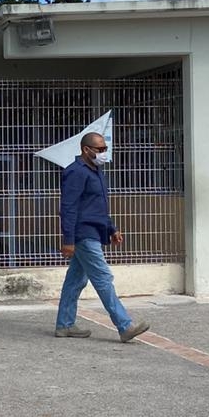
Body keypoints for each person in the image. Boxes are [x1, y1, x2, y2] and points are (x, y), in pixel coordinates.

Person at [55, 132, 149, 342]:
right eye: (99, 149)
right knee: (103, 278)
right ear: (86, 149)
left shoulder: (96, 171)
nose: (103, 153)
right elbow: (68, 208)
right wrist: (68, 240)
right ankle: (124, 326)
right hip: (83, 234)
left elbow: (98, 207)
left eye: (105, 149)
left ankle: (64, 325)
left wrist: (112, 228)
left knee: (75, 281)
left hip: (94, 231)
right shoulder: (76, 172)